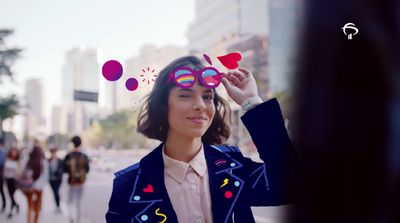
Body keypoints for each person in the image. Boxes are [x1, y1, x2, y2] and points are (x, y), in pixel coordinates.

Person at [105, 56, 299, 222]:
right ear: (163, 106)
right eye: (185, 96)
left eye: (207, 97)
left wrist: (251, 102)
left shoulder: (234, 168)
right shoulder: (128, 187)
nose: (200, 105)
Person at [63, 136, 90, 223]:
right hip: (81, 182)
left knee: (71, 202)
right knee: (80, 202)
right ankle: (79, 220)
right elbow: (87, 169)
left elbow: (64, 169)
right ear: (80, 143)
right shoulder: (84, 156)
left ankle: (72, 217)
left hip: (72, 182)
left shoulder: (68, 156)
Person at [21, 141, 48, 223]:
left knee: (30, 205)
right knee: (38, 205)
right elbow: (46, 175)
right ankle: (36, 221)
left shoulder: (29, 160)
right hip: (39, 186)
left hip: (29, 186)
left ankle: (29, 221)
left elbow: (23, 172)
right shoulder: (43, 161)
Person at [3, 147, 20, 218]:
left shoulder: (17, 161)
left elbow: (19, 172)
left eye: (15, 152)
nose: (14, 153)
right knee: (10, 195)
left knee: (11, 195)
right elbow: (5, 171)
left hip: (14, 181)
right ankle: (16, 205)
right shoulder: (7, 160)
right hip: (8, 180)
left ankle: (11, 211)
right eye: (12, 152)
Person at [48, 147, 63, 212]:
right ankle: (57, 205)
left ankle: (58, 205)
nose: (53, 154)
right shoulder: (49, 160)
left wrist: (59, 173)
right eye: (52, 153)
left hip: (58, 179)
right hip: (51, 180)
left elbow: (62, 169)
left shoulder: (59, 160)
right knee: (54, 192)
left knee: (56, 192)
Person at [0, 138, 6, 212]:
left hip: (1, 174)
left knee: (1, 190)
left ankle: (4, 204)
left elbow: (1, 163)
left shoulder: (3, 153)